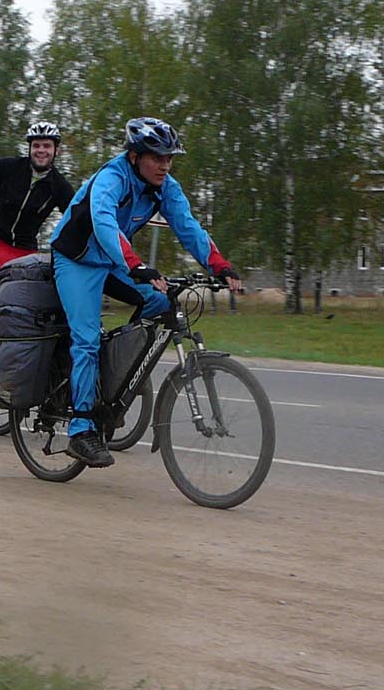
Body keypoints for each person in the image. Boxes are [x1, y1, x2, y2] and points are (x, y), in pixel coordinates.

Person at [49, 117, 242, 468]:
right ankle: (80, 429)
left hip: (113, 261)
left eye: (169, 158)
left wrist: (220, 266)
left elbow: (188, 226)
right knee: (87, 340)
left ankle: (114, 372)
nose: (165, 165)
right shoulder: (112, 178)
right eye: (157, 158)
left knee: (160, 302)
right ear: (135, 157)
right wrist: (136, 265)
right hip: (77, 261)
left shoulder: (165, 187)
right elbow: (103, 222)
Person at [0, 118, 145, 273]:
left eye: (46, 146)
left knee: (36, 289)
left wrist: (114, 233)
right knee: (8, 279)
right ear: (30, 149)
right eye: (36, 146)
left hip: (26, 251)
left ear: (56, 150)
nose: (41, 151)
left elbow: (78, 217)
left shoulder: (58, 186)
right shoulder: (10, 167)